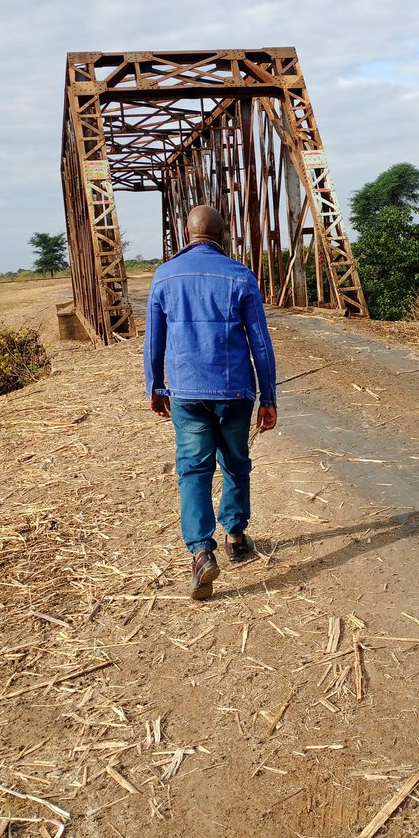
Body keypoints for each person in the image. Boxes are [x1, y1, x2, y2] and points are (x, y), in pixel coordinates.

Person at [144, 205, 278, 600]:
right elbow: (261, 344)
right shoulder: (240, 275)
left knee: (193, 470)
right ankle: (236, 537)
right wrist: (268, 395)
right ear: (224, 234)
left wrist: (155, 387)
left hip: (187, 392)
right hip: (235, 391)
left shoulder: (164, 276)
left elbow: (154, 340)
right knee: (235, 462)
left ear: (186, 233)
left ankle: (201, 551)